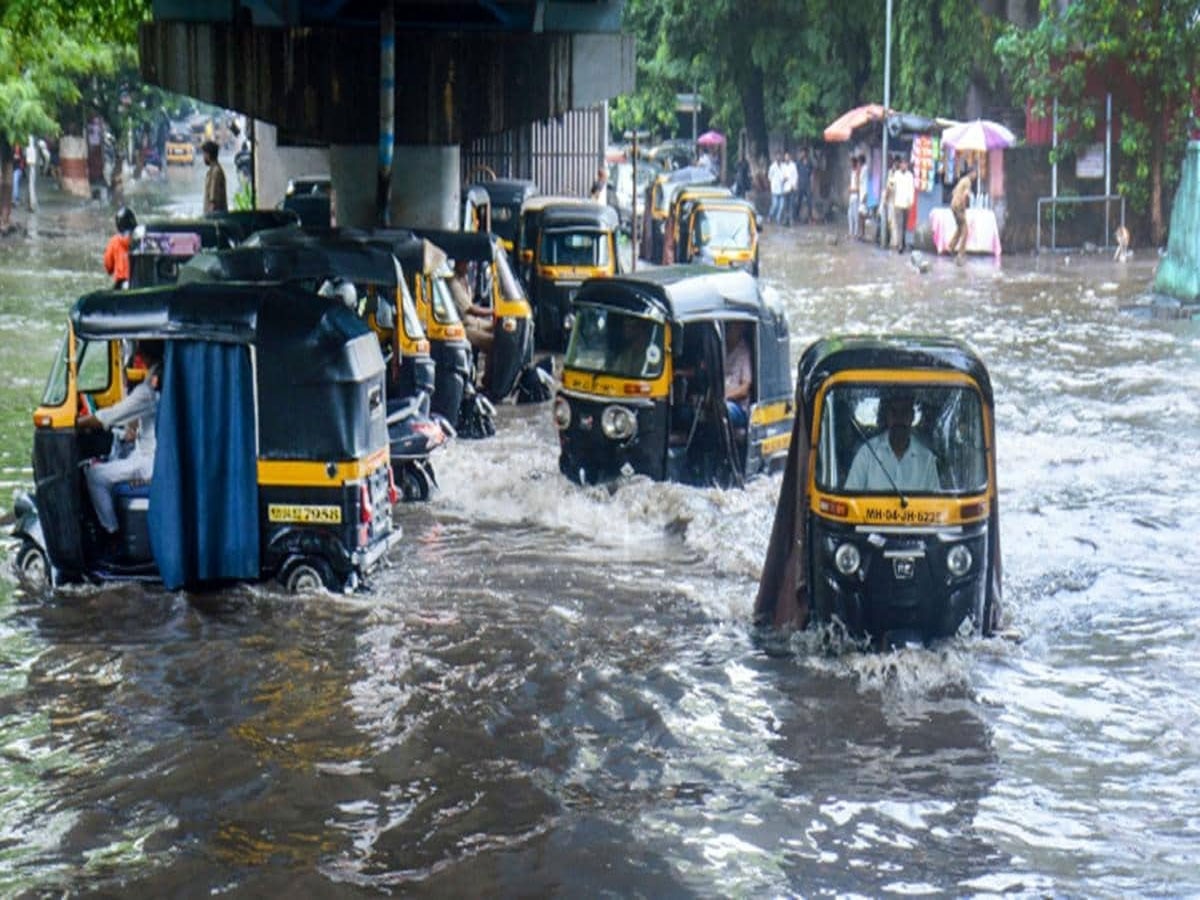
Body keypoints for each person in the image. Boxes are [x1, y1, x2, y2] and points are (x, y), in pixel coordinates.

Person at [79, 342, 164, 542]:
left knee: (95, 475)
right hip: (148, 454)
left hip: (149, 464)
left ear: (142, 356)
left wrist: (76, 423)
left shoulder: (147, 391)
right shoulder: (158, 378)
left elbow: (111, 415)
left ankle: (111, 535)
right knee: (112, 457)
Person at [844, 391, 940, 492]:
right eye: (894, 412)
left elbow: (936, 505)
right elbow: (850, 495)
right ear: (887, 416)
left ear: (912, 416)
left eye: (904, 412)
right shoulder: (867, 453)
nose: (899, 419)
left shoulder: (926, 459)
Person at [448, 259, 494, 352]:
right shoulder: (453, 282)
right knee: (493, 341)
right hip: (463, 326)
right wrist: (493, 311)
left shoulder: (464, 280)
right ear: (458, 263)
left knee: (496, 328)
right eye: (465, 263)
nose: (467, 267)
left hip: (472, 321)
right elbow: (471, 309)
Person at [723, 321, 752, 428]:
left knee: (724, 410)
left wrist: (725, 396)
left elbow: (744, 389)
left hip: (738, 407)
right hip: (717, 401)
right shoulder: (720, 349)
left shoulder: (744, 353)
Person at [104, 207, 138, 289]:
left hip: (121, 284)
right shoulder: (141, 238)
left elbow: (109, 267)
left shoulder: (114, 241)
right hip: (139, 282)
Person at [948, 167, 976, 265]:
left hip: (953, 205)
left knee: (959, 228)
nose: (975, 176)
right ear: (971, 173)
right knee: (965, 230)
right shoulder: (968, 182)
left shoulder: (962, 180)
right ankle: (961, 253)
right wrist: (963, 206)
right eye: (974, 173)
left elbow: (954, 192)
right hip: (959, 206)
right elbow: (965, 195)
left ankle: (951, 246)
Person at [892, 156, 915, 253]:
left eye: (905, 164)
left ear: (907, 165)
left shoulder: (910, 176)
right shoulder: (896, 174)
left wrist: (911, 202)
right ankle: (900, 246)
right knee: (899, 225)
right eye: (902, 164)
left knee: (904, 225)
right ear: (900, 165)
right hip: (898, 203)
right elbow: (892, 185)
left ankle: (903, 242)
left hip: (906, 204)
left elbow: (911, 189)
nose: (903, 165)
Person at [202, 140, 227, 214]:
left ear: (208, 155)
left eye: (204, 154)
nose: (203, 157)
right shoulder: (213, 171)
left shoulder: (215, 172)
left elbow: (213, 201)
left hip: (216, 219)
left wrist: (209, 220)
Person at [794, 149, 813, 224]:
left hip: (807, 185)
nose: (803, 154)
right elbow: (795, 174)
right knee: (798, 201)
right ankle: (796, 216)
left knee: (809, 202)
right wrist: (796, 184)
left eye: (804, 153)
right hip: (800, 185)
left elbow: (811, 174)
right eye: (802, 152)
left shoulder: (809, 163)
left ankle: (810, 217)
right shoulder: (798, 163)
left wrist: (812, 184)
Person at [767, 153, 785, 225]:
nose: (779, 157)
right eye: (777, 156)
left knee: (781, 206)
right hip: (774, 189)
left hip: (783, 189)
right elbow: (769, 177)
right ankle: (770, 216)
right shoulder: (772, 167)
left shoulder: (783, 166)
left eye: (780, 156)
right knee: (775, 205)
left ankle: (778, 219)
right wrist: (774, 183)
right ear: (775, 157)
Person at [781, 151, 798, 227]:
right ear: (784, 158)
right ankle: (785, 220)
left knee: (791, 205)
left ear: (790, 157)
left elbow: (796, 176)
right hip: (785, 188)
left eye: (788, 157)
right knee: (786, 205)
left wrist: (794, 185)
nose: (786, 158)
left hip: (791, 187)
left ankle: (791, 221)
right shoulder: (783, 166)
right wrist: (784, 179)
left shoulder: (793, 165)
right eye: (785, 157)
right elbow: (781, 176)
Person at [846, 156, 861, 239]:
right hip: (851, 197)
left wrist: (852, 190)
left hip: (855, 197)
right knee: (849, 215)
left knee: (855, 216)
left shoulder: (857, 173)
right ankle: (850, 232)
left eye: (851, 162)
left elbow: (858, 188)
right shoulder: (852, 172)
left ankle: (855, 233)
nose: (850, 164)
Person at [24, 136, 38, 211]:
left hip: (30, 167)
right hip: (32, 167)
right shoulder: (34, 149)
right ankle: (30, 203)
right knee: (31, 185)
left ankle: (31, 203)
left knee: (30, 185)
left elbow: (26, 158)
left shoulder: (28, 149)